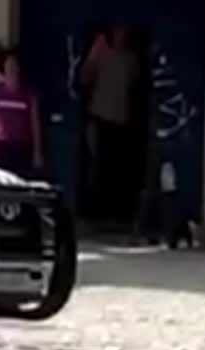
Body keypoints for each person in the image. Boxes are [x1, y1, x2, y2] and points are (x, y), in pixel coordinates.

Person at [80, 26, 140, 222]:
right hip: (99, 118)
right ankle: (93, 213)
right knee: (97, 166)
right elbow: (84, 78)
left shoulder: (131, 59)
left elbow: (135, 86)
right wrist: (93, 55)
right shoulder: (101, 52)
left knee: (117, 169)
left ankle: (115, 212)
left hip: (121, 120)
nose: (121, 34)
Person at [0, 47, 43, 178]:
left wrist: (37, 153)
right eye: (9, 66)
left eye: (15, 66)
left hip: (21, 145)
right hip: (1, 145)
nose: (12, 69)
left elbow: (34, 123)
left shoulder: (27, 93)